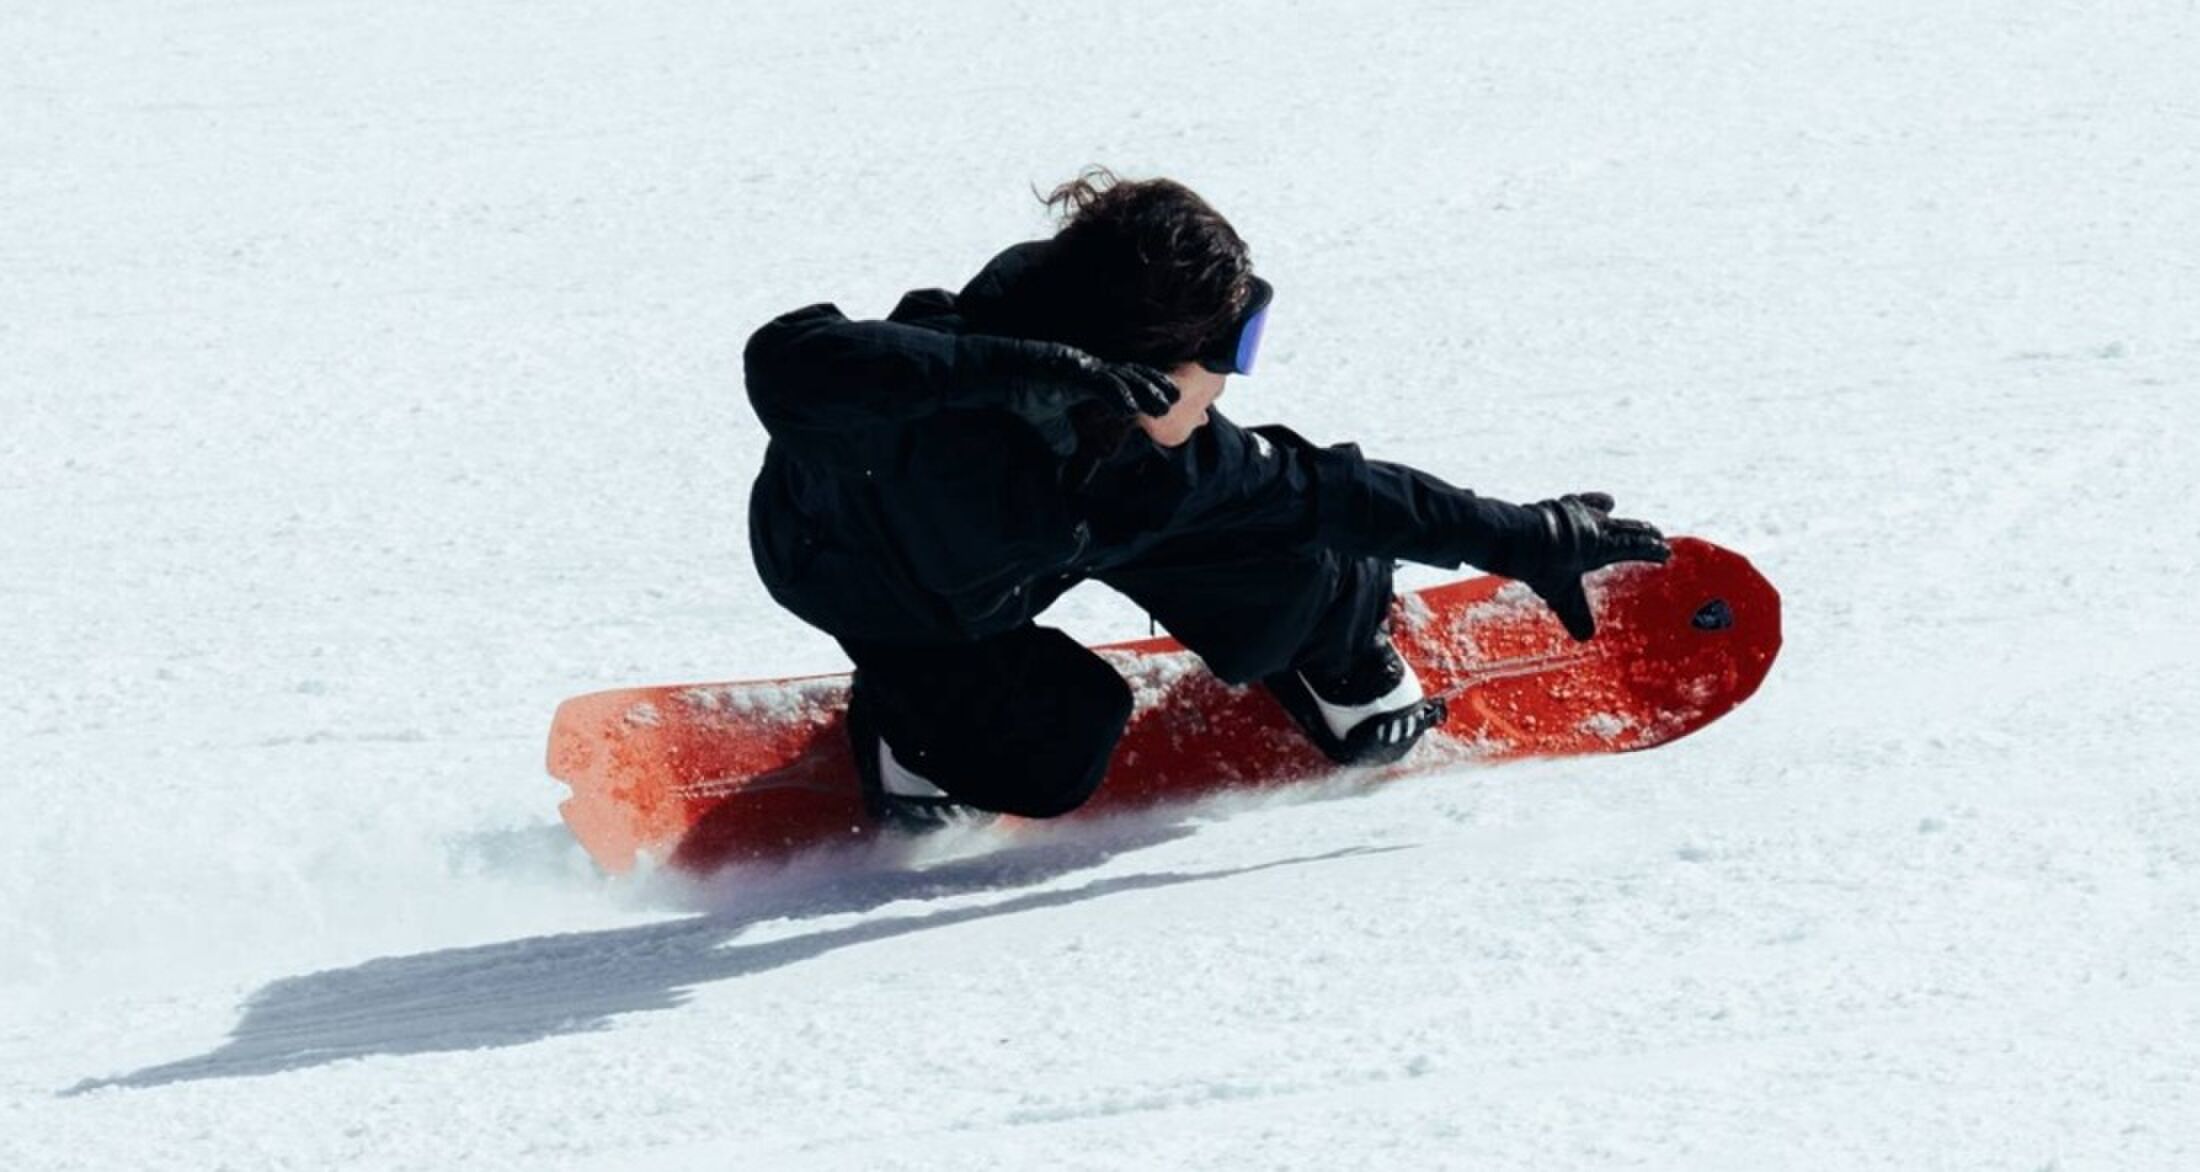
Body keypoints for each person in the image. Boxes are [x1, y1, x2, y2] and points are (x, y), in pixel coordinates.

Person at [743, 168, 1670, 829]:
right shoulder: (914, 414)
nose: (1230, 379)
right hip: (892, 589)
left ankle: (1325, 658)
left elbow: (1329, 490)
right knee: (1055, 749)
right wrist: (1007, 373)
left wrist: (1524, 535)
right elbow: (789, 361)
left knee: (1290, 541)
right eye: (1222, 355)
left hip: (1069, 519)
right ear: (1142, 363)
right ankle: (906, 730)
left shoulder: (1153, 447)